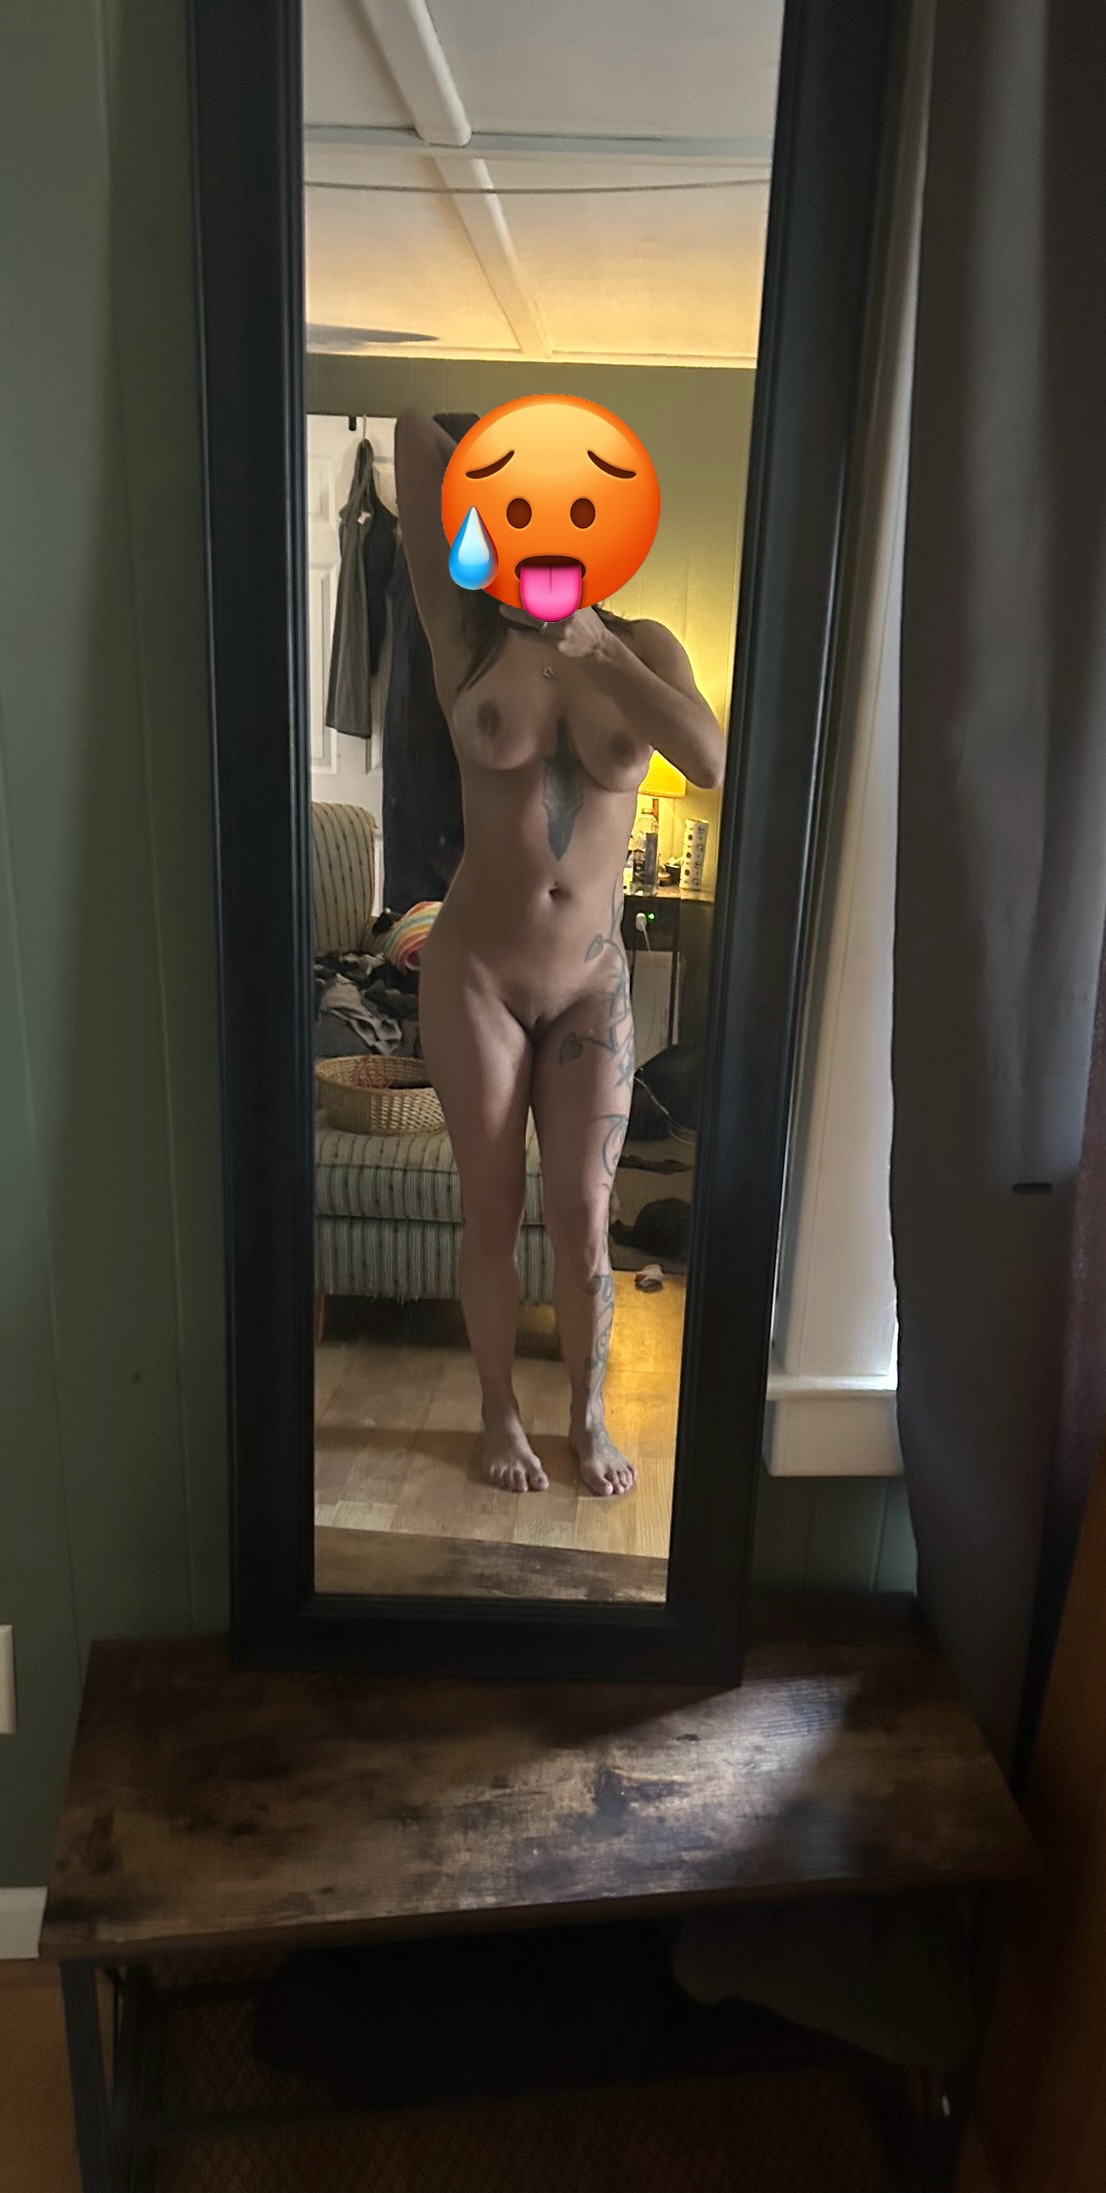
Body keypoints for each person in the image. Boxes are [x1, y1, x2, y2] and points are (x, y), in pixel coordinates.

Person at [394, 407, 725, 1497]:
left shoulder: (646, 646)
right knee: (489, 1214)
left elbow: (708, 758)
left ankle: (586, 1419)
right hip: (477, 976)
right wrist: (506, 460)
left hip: (589, 983)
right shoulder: (465, 631)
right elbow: (411, 431)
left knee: (585, 1223)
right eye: (525, 506)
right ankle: (498, 1413)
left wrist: (598, 648)